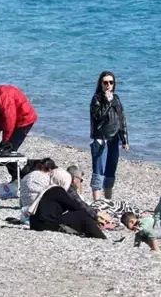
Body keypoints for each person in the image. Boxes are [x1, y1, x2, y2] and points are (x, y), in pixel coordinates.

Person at [27, 168, 107, 239]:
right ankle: (100, 237)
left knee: (76, 215)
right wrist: (96, 218)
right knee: (81, 214)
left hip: (35, 224)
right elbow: (76, 207)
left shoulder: (47, 189)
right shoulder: (58, 190)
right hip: (46, 225)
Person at [89, 71, 129, 201]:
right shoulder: (96, 98)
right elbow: (98, 116)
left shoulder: (116, 98)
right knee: (98, 170)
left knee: (111, 171)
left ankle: (108, 200)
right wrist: (106, 101)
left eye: (111, 82)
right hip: (101, 138)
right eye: (105, 82)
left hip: (114, 138)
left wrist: (125, 139)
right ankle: (97, 202)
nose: (108, 85)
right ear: (101, 84)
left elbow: (121, 119)